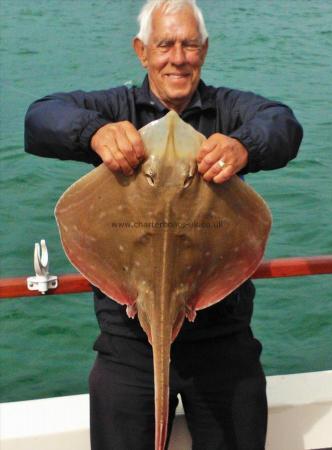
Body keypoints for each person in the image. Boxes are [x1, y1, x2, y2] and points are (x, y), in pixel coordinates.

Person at [24, 1, 303, 449]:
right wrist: (94, 134)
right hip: (128, 342)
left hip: (222, 338)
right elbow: (39, 118)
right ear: (141, 51)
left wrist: (243, 146)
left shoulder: (229, 111)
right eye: (165, 44)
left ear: (205, 51)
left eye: (190, 44)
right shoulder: (115, 108)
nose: (178, 56)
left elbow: (284, 126)